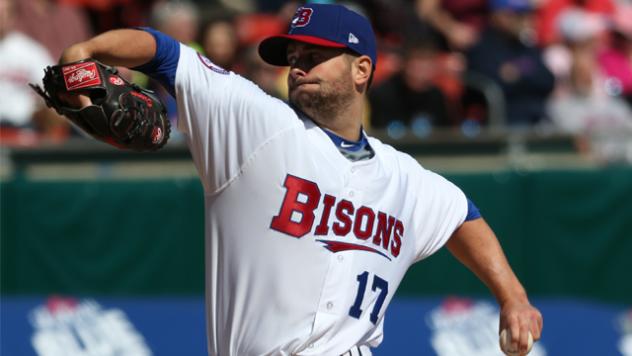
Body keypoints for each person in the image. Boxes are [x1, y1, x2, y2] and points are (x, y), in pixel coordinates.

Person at [55, 3, 542, 355]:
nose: (298, 64)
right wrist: (86, 49)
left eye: (315, 54)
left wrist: (513, 297)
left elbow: (463, 216)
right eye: (294, 55)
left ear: (362, 69)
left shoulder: (405, 178)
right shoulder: (257, 124)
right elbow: (164, 52)